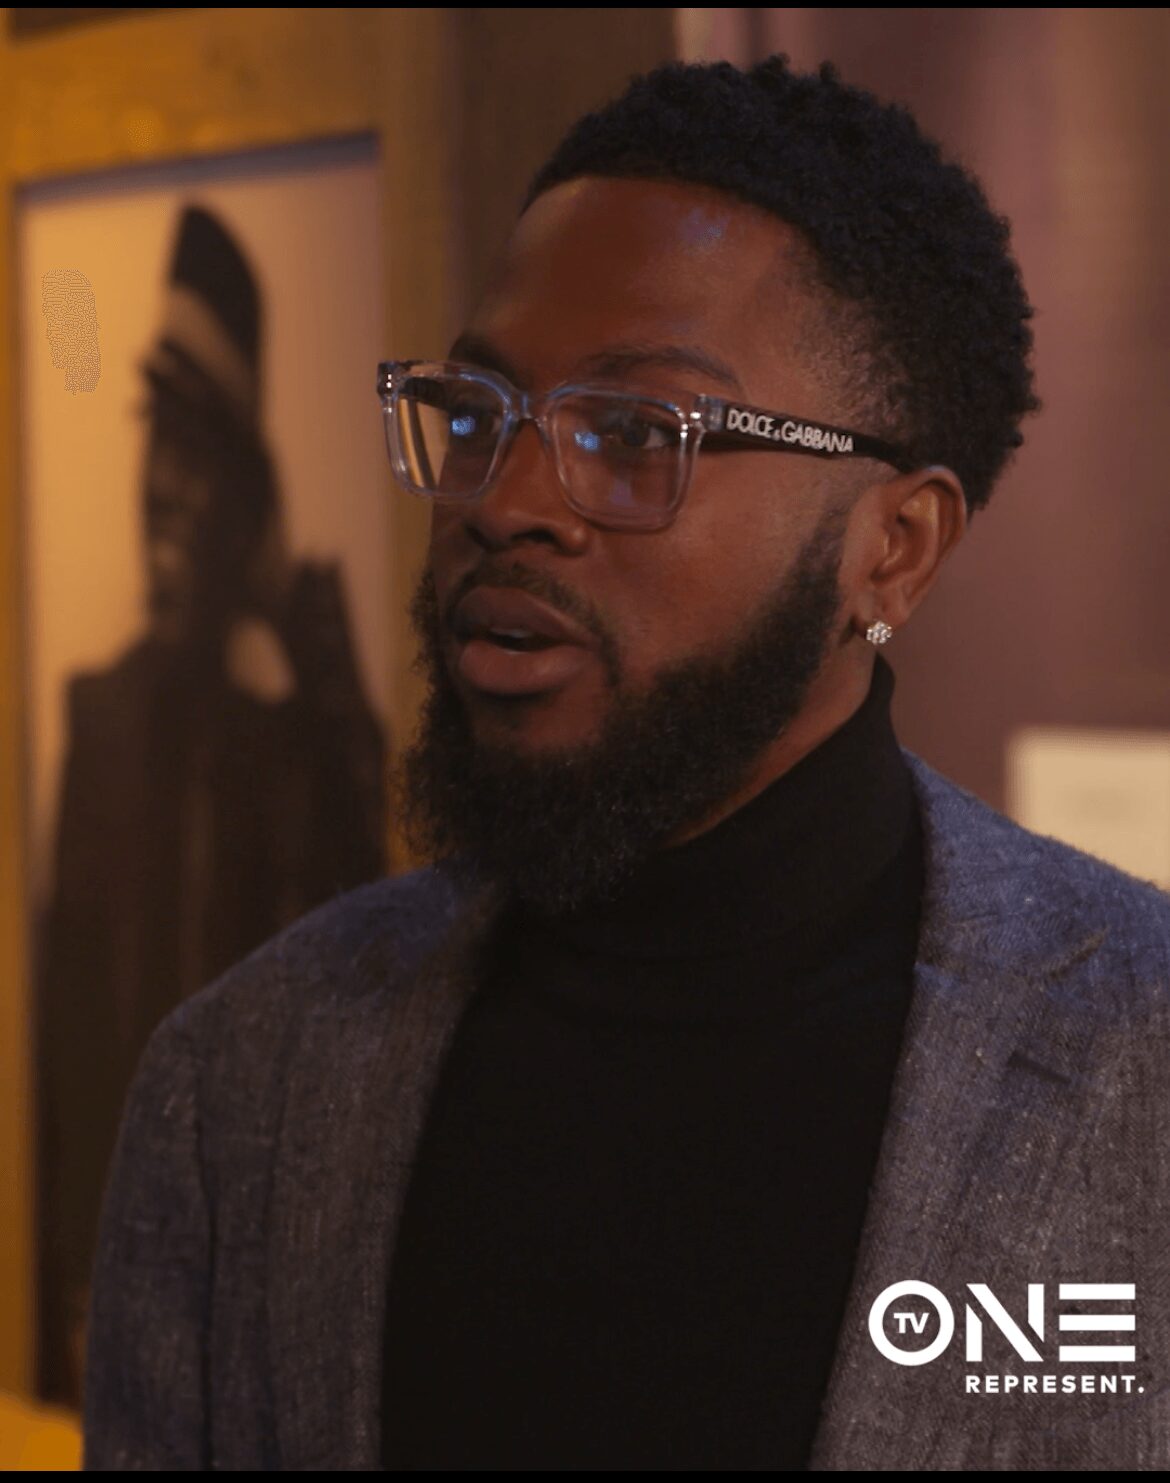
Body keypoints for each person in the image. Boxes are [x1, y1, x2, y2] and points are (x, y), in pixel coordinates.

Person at [83, 59, 1170, 1471]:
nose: (507, 502)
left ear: (892, 548)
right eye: (477, 411)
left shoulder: (1135, 1059)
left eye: (633, 434)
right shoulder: (245, 1077)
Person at [38, 205, 387, 1409]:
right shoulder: (98, 719)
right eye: (158, 443)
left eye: (204, 456)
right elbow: (68, 1029)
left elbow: (380, 943)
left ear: (251, 498)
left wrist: (301, 630)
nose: (165, 493)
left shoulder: (294, 746)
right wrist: (67, 1290)